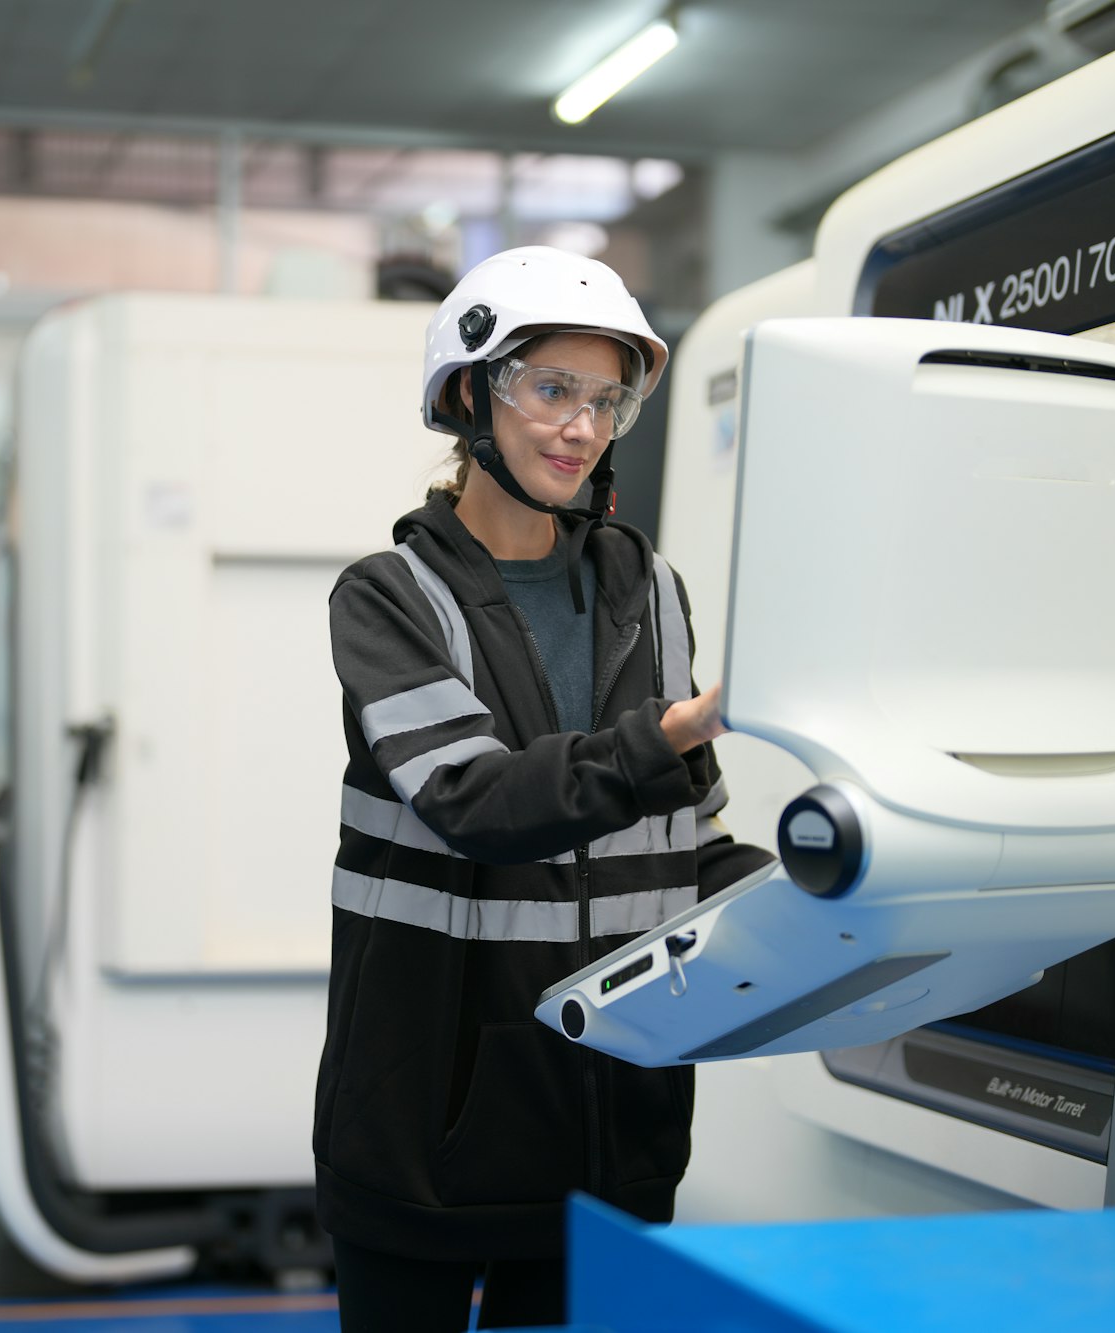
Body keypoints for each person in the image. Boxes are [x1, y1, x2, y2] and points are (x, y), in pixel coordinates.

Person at [314, 247, 773, 1331]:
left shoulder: (649, 588)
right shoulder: (391, 598)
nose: (580, 427)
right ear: (470, 395)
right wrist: (671, 733)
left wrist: (822, 887)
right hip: (427, 1133)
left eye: (604, 399)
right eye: (550, 390)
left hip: (612, 1132)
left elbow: (682, 843)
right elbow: (472, 797)